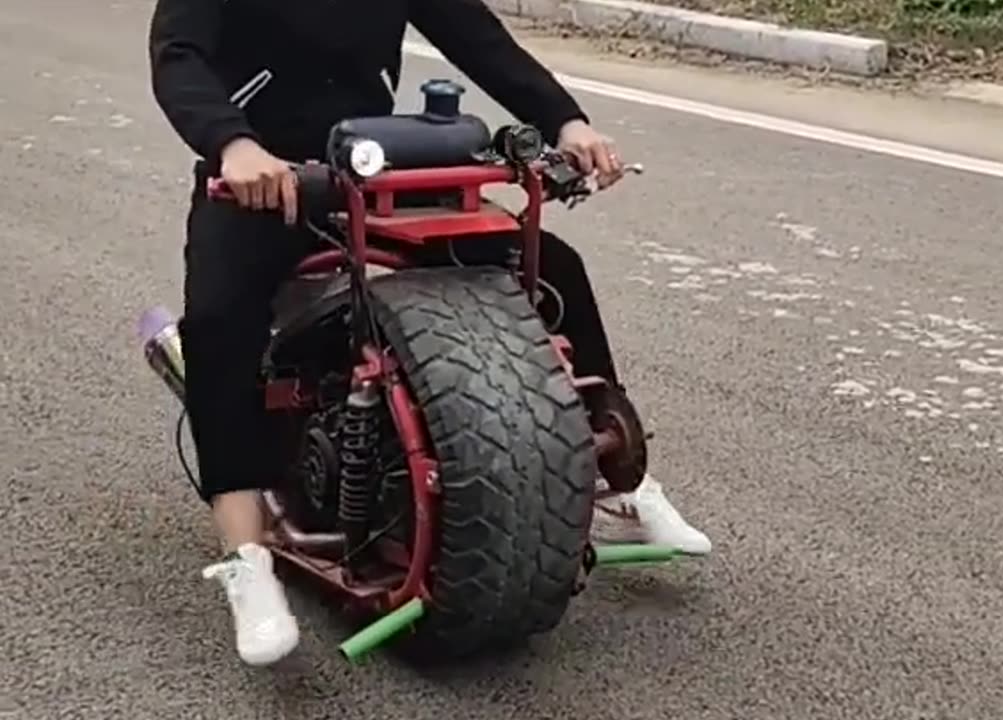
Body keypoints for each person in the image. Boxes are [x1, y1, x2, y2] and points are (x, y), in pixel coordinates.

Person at [148, 0, 711, 667]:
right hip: (265, 176)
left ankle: (619, 484)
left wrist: (567, 121)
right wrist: (233, 144)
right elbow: (178, 55)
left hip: (372, 161)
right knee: (219, 320)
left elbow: (478, 38)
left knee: (549, 266)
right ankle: (245, 559)